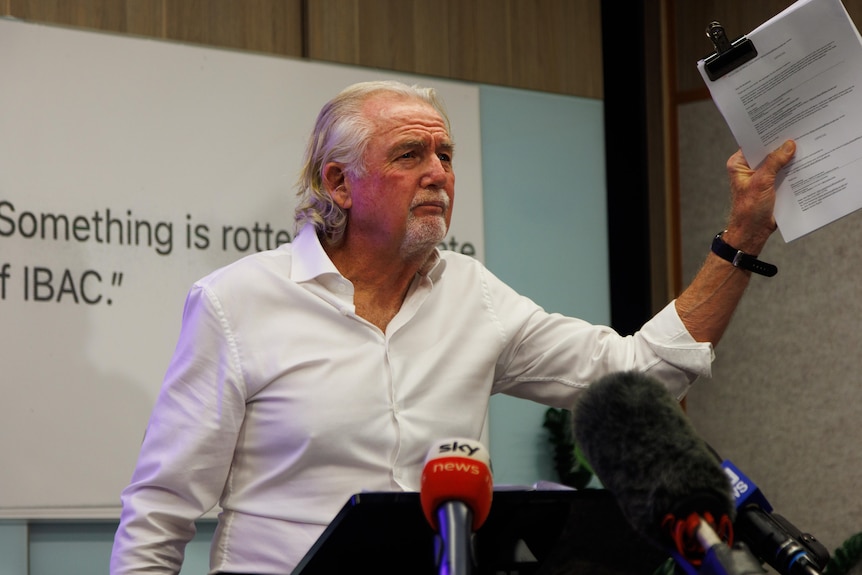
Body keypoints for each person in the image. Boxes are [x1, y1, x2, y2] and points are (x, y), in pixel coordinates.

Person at [109, 79, 796, 574]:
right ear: (339, 182)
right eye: (410, 155)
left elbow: (639, 371)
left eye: (446, 155)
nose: (438, 173)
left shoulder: (474, 295)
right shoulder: (236, 301)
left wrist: (741, 238)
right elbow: (161, 508)